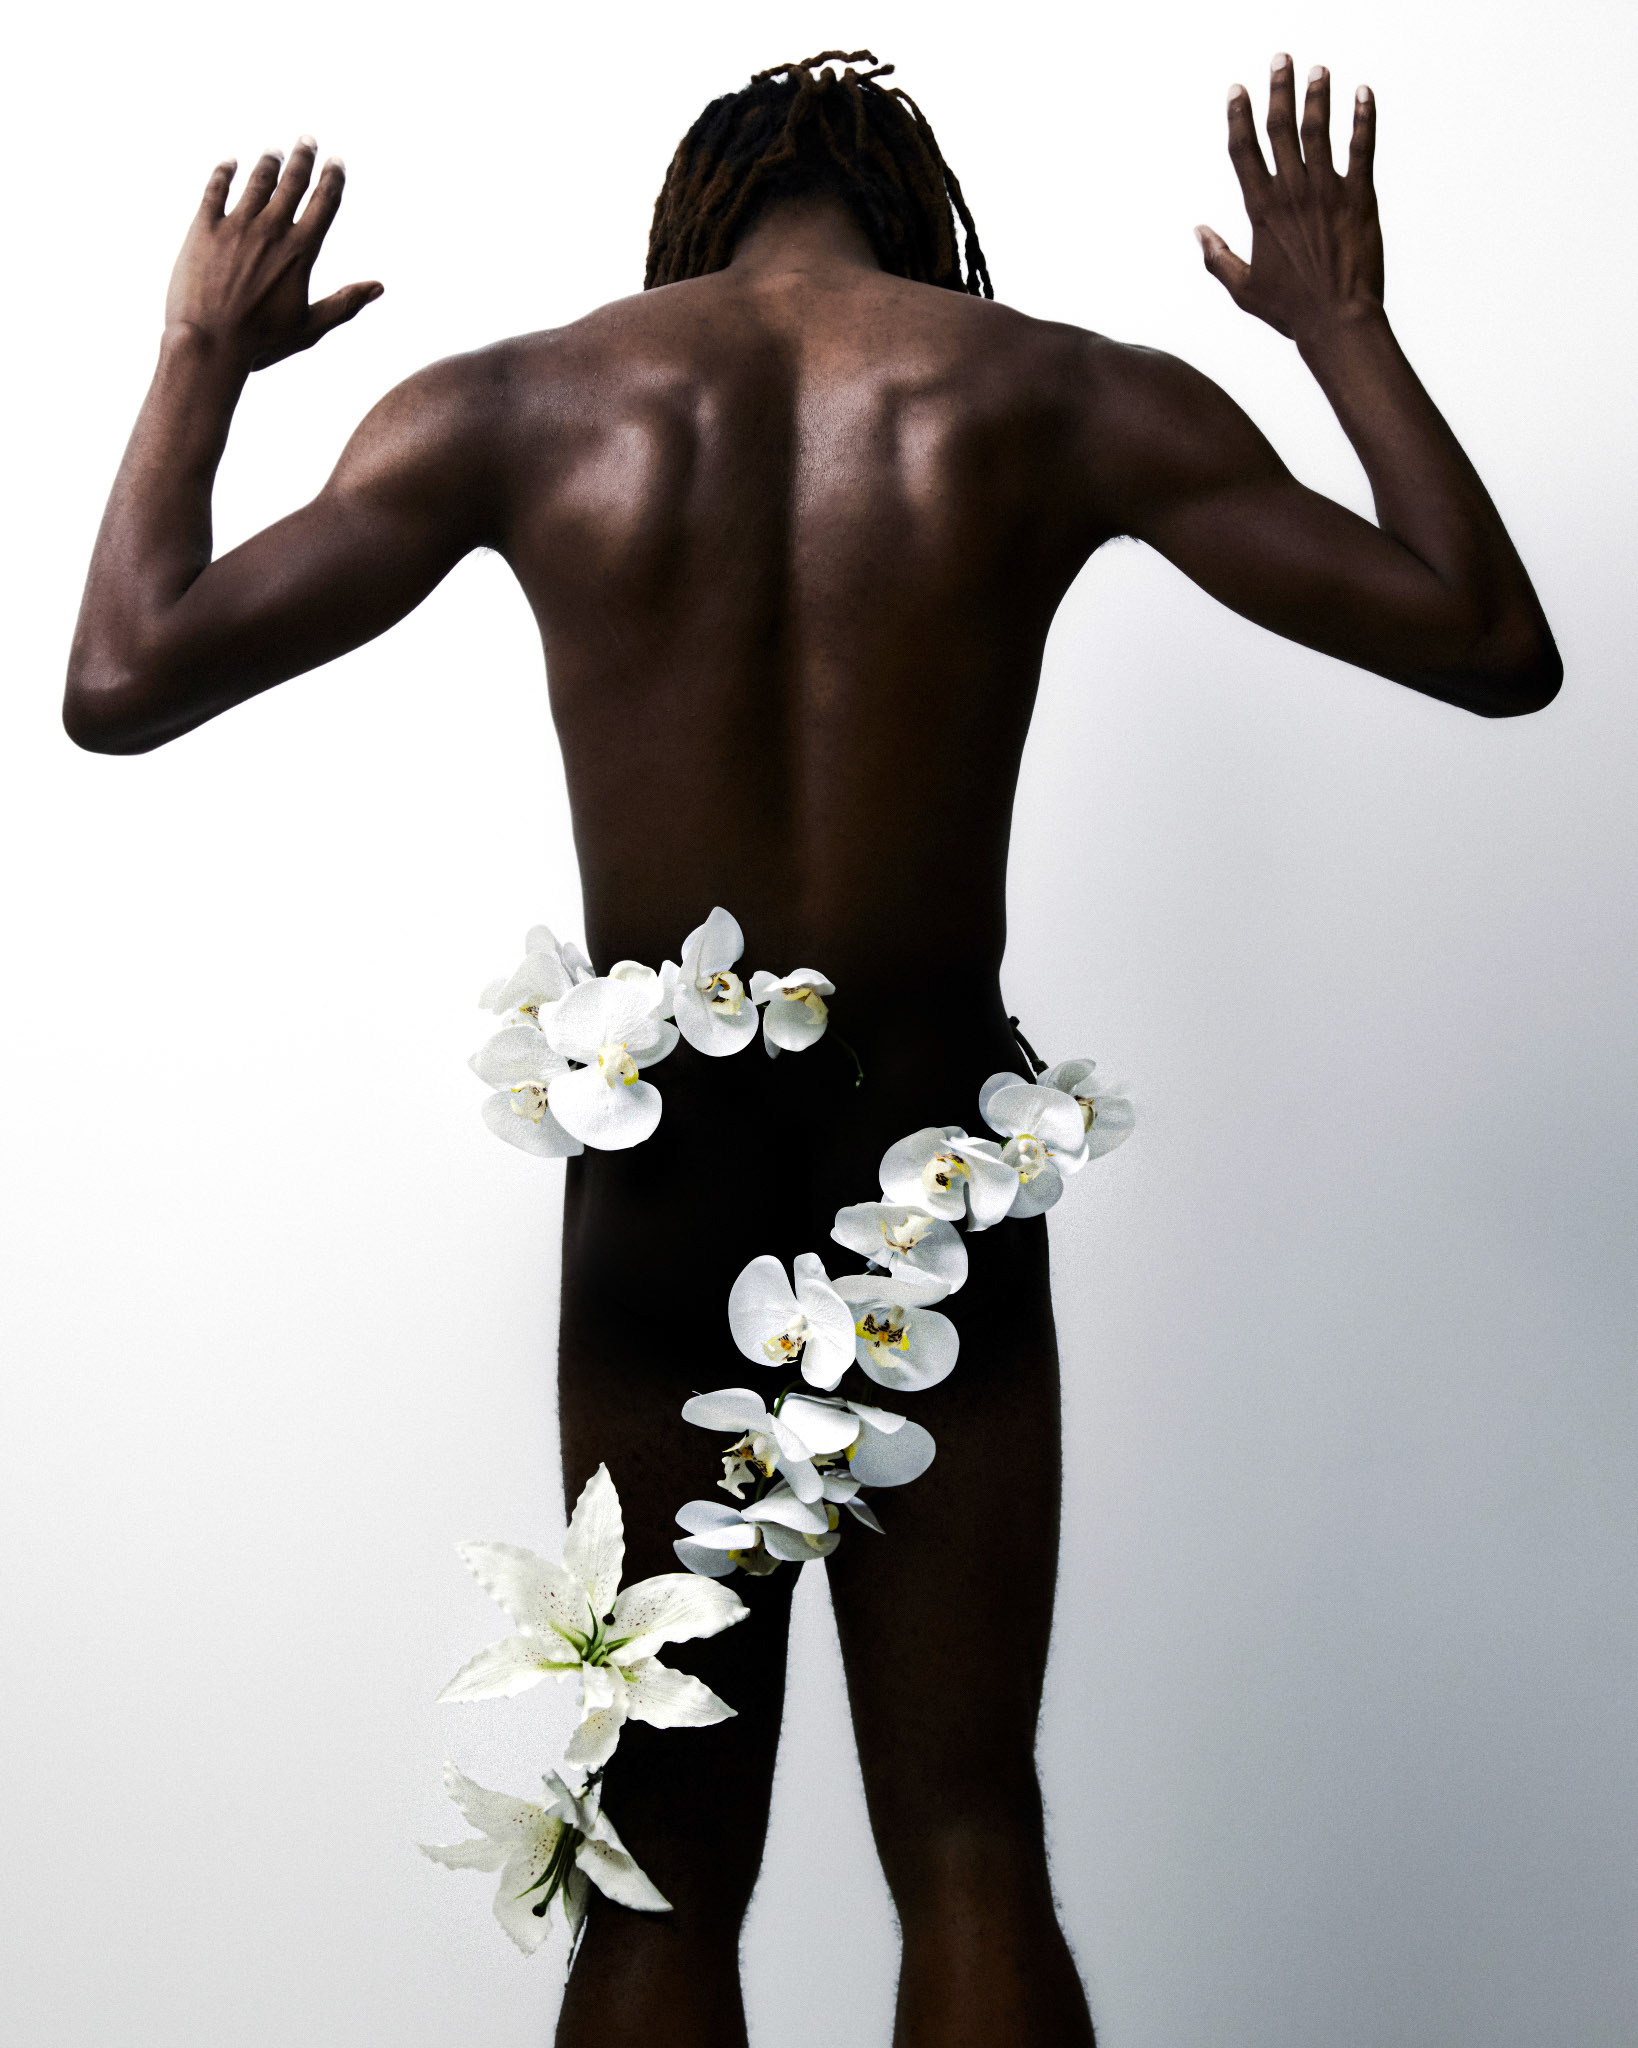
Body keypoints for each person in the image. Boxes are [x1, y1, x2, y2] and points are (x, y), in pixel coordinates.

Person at [63, 49, 1560, 2048]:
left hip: (662, 1187)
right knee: (969, 1837)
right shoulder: (1058, 396)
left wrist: (200, 355)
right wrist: (1341, 327)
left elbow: (122, 675)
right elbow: (1487, 639)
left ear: (694, 218)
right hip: (933, 1179)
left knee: (663, 1872)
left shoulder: (514, 405)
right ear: (920, 220)